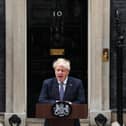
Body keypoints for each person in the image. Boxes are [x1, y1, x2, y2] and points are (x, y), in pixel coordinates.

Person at [38, 58, 85, 126]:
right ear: (55, 71)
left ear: (68, 72)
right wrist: (56, 103)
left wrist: (69, 104)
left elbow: (81, 100)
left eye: (62, 70)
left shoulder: (77, 83)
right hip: (52, 120)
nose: (60, 72)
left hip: (71, 120)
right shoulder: (47, 83)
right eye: (58, 70)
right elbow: (41, 100)